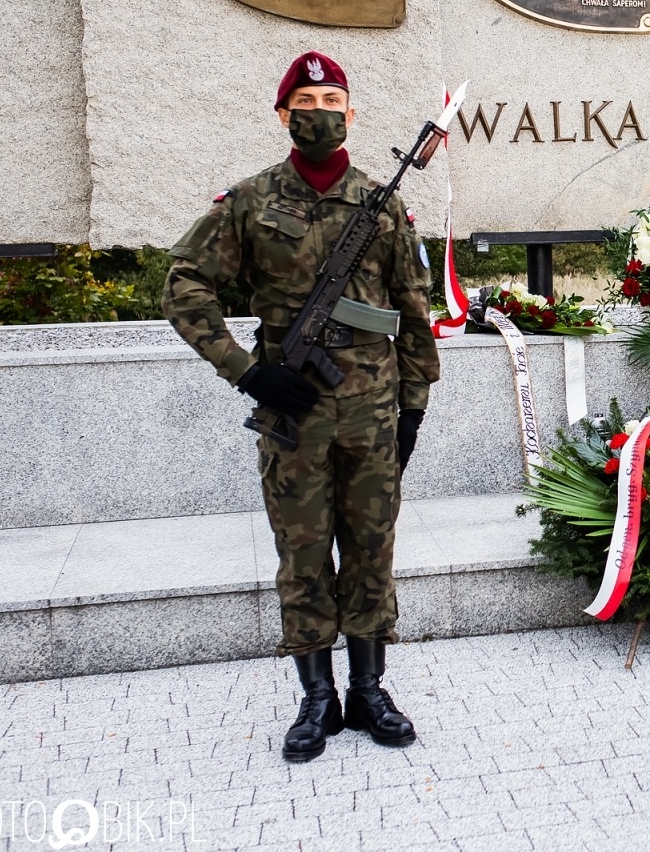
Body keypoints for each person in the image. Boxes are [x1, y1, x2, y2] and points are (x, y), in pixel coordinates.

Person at [162, 51, 441, 763]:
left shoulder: (382, 204)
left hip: (373, 418)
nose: (320, 109)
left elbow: (411, 310)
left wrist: (413, 406)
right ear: (284, 114)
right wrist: (247, 372)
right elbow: (183, 285)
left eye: (332, 97)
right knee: (304, 556)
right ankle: (317, 698)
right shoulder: (251, 203)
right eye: (306, 98)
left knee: (372, 554)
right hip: (294, 419)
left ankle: (368, 690)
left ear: (352, 114)